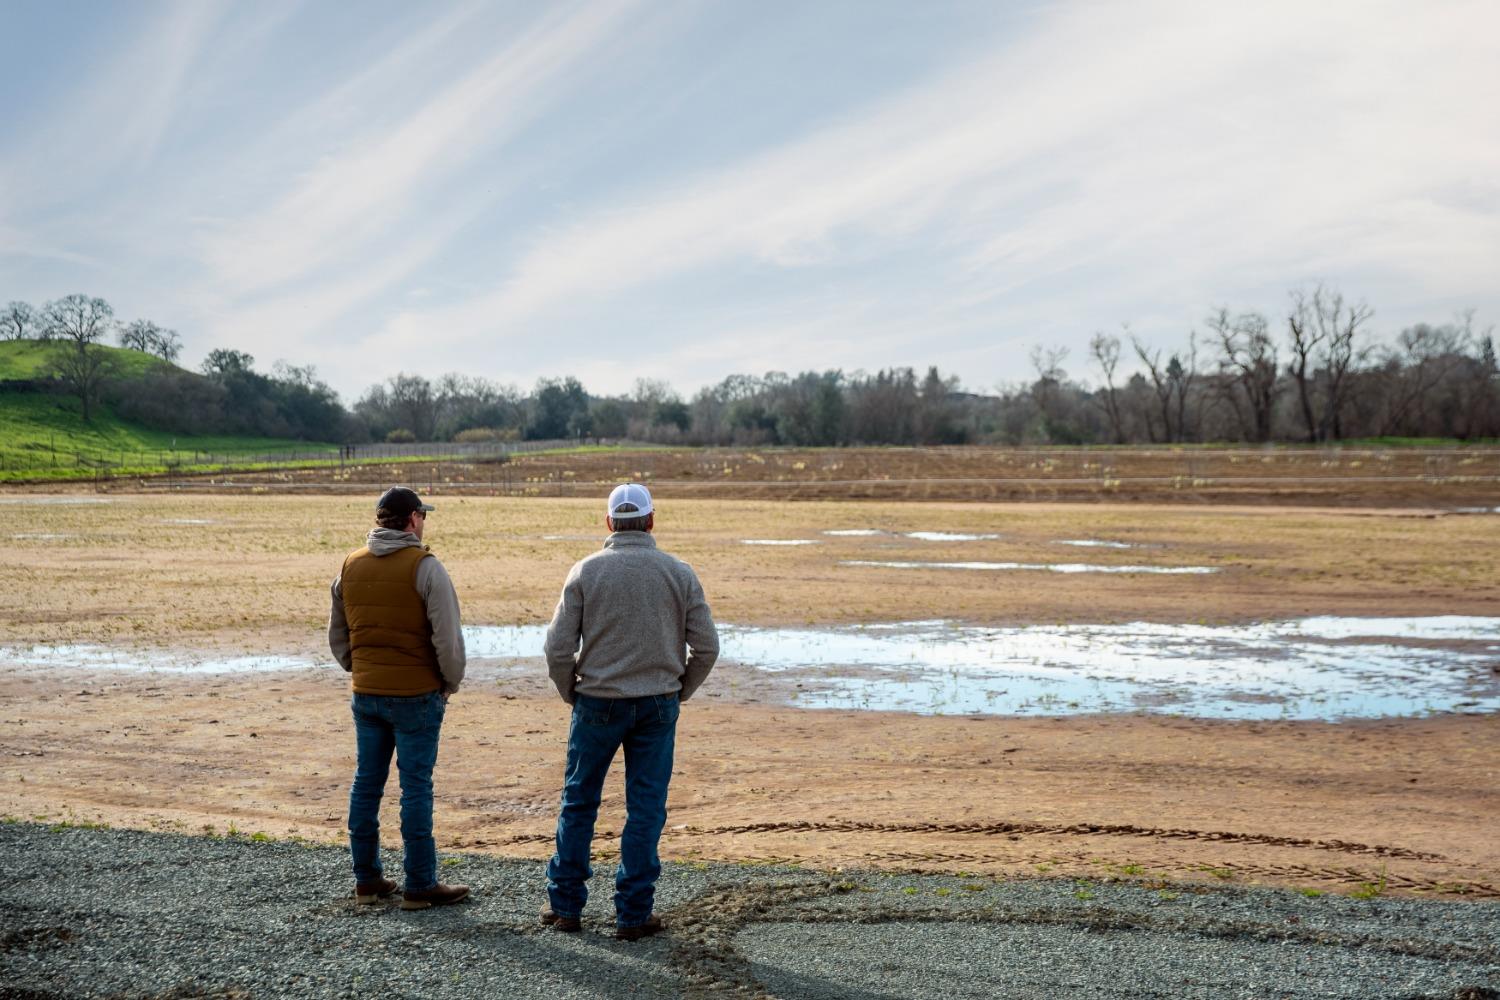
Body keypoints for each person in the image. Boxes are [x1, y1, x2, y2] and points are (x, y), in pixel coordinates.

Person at [541, 482, 719, 940]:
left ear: (608, 523)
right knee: (645, 809)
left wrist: (570, 691)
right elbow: (707, 647)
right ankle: (634, 914)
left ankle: (565, 907)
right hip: (657, 704)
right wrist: (680, 690)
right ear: (651, 520)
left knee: (579, 803)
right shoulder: (678, 573)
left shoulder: (585, 571)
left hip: (597, 702)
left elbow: (557, 647)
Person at [329, 485, 470, 910]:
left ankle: (367, 879)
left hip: (367, 693)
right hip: (416, 695)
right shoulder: (426, 568)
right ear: (412, 520)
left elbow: (338, 635)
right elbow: (448, 639)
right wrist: (451, 682)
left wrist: (358, 667)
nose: (424, 521)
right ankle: (420, 884)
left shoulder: (350, 566)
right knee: (415, 788)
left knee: (366, 784)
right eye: (422, 515)